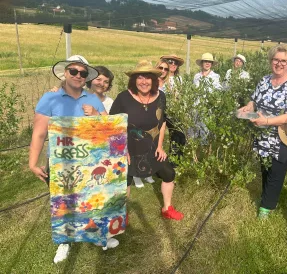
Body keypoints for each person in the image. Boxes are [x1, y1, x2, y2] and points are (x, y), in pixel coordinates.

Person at [28, 55, 114, 264]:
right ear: (65, 73)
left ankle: (94, 234)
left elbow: (108, 128)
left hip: (89, 161)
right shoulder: (50, 98)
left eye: (82, 73)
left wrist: (95, 115)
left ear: (87, 78)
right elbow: (39, 133)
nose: (78, 76)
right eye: (73, 71)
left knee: (92, 198)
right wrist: (32, 163)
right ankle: (64, 242)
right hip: (60, 161)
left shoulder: (93, 99)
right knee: (64, 202)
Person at [109, 60, 184, 221]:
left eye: (148, 77)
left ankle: (167, 208)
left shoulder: (161, 96)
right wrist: (121, 150)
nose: (144, 82)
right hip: (129, 150)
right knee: (125, 181)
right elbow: (113, 126)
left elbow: (162, 123)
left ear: (154, 80)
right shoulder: (123, 98)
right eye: (140, 77)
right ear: (134, 80)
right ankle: (122, 213)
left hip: (152, 148)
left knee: (169, 173)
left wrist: (160, 146)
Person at [238, 44, 287, 219]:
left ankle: (266, 208)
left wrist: (266, 121)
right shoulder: (264, 80)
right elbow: (254, 100)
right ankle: (268, 198)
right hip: (263, 134)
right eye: (276, 59)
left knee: (277, 172)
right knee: (265, 168)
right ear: (271, 60)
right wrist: (248, 107)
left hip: (282, 136)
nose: (279, 63)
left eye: (284, 60)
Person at [158, 56, 187, 165]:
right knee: (174, 136)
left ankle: (179, 161)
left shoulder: (179, 79)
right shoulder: (163, 79)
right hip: (167, 111)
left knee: (181, 136)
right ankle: (173, 163)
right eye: (171, 62)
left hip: (179, 111)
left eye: (176, 63)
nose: (173, 64)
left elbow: (182, 94)